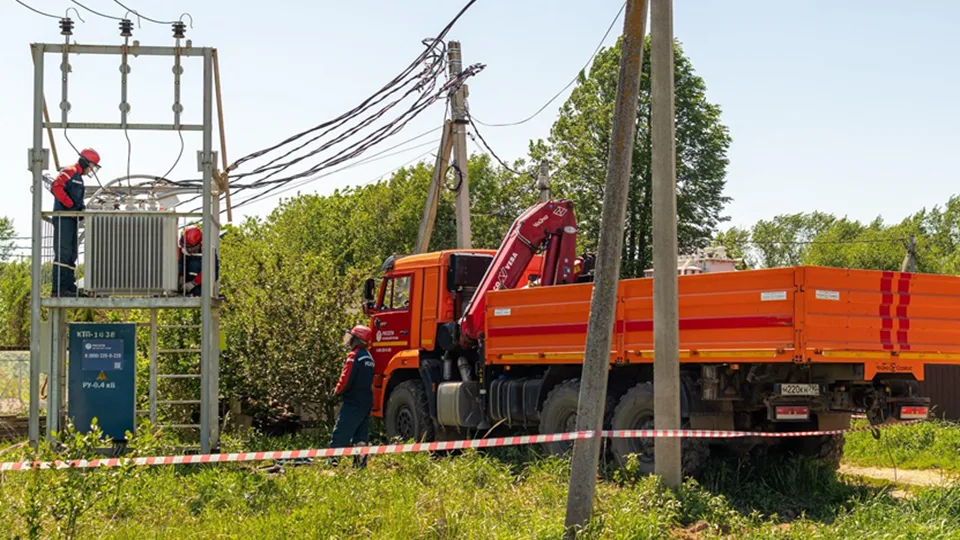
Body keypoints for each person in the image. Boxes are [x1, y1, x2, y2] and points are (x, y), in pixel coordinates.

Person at [51, 148, 100, 297]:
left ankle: (69, 286)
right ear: (86, 161)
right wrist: (70, 205)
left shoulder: (78, 176)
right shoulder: (70, 171)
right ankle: (59, 288)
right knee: (64, 253)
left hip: (71, 219)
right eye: (92, 166)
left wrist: (80, 210)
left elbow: (77, 200)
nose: (91, 170)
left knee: (72, 253)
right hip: (64, 218)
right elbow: (56, 187)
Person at [328, 325, 375, 468]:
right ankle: (360, 465)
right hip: (366, 400)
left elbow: (345, 378)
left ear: (357, 339)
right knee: (361, 434)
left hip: (353, 400)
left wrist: (336, 391)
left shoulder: (353, 356)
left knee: (341, 431)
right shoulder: (369, 357)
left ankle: (332, 462)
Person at [177, 225, 219, 296]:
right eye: (186, 246)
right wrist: (180, 276)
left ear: (198, 244)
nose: (188, 249)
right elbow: (180, 264)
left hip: (200, 287)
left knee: (195, 265)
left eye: (190, 247)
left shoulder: (209, 252)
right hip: (184, 283)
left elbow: (213, 272)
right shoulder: (182, 251)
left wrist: (193, 283)